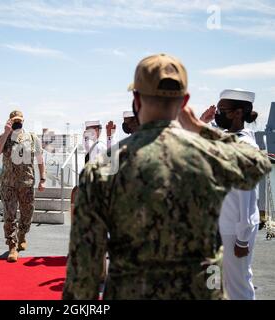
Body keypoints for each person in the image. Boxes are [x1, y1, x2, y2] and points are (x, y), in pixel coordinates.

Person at [62, 53, 272, 300]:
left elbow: (84, 270)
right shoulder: (212, 155)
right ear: (185, 102)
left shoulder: (105, 166)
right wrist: (201, 128)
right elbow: (258, 165)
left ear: (136, 100)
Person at [200, 89, 260, 300]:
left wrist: (242, 239)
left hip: (234, 231)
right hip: (218, 226)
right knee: (214, 282)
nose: (217, 114)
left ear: (237, 113)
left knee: (238, 285)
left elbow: (247, 197)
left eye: (222, 110)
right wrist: (204, 121)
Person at [0, 110, 46, 262]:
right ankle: (12, 246)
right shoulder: (4, 137)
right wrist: (5, 133)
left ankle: (22, 234)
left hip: (26, 183)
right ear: (9, 121)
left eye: (19, 120)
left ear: (23, 121)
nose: (17, 122)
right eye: (14, 120)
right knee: (9, 215)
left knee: (27, 212)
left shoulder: (32, 138)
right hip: (8, 184)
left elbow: (40, 160)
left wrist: (43, 178)